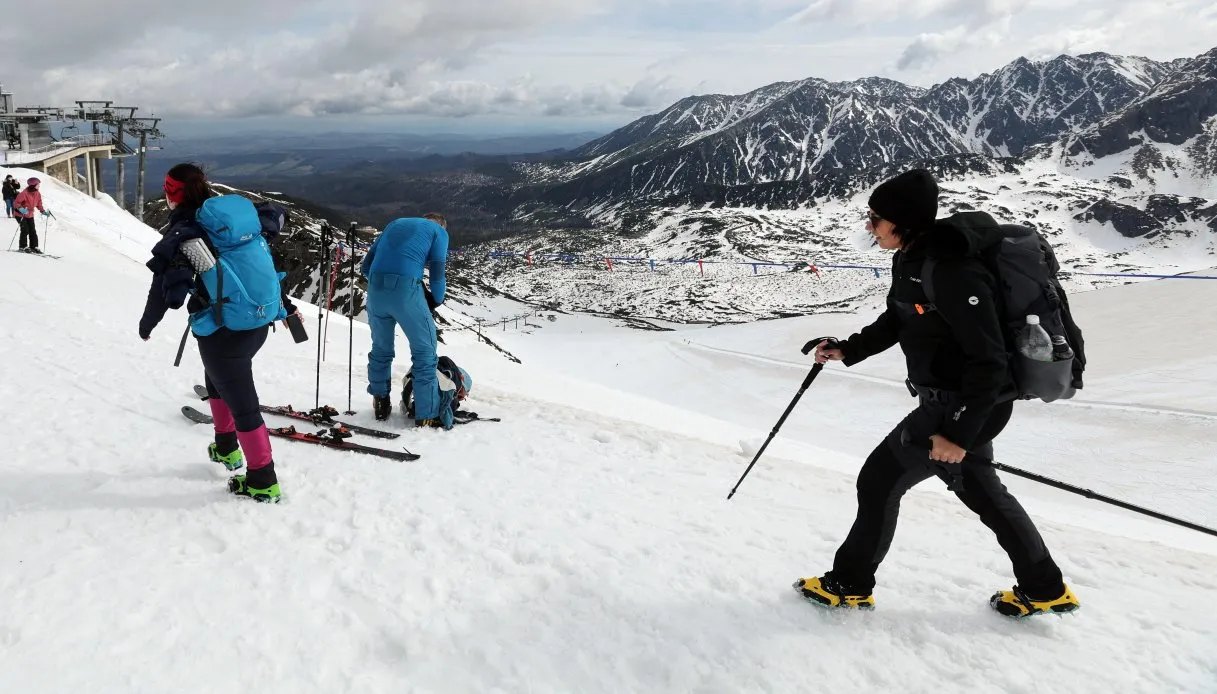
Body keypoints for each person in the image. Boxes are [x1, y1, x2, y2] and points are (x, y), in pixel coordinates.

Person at [793, 169, 1080, 618]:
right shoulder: (911, 258)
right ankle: (1045, 588)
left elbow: (989, 361)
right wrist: (847, 349)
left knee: (878, 481)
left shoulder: (951, 270)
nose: (870, 226)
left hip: (962, 406)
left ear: (901, 221)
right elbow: (898, 318)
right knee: (983, 492)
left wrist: (959, 435)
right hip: (954, 404)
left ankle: (849, 583)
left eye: (875, 218)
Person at [138, 163, 298, 502]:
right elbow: (258, 263)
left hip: (224, 331)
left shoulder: (186, 230)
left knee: (244, 405)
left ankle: (262, 480)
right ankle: (226, 449)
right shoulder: (230, 218)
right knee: (217, 380)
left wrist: (147, 324)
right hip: (256, 323)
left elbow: (162, 286)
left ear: (171, 193)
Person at [360, 213, 451, 427]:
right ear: (441, 225)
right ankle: (426, 415)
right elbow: (437, 273)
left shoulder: (395, 223)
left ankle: (380, 404)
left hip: (375, 290)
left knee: (381, 348)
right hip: (405, 290)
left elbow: (366, 267)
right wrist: (435, 300)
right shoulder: (440, 232)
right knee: (425, 352)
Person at [12, 176, 50, 253]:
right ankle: (23, 247)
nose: (39, 186)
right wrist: (21, 209)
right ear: (33, 185)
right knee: (25, 229)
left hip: (30, 214)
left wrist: (43, 211)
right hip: (20, 214)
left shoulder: (37, 193)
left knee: (32, 230)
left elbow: (39, 204)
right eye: (38, 184)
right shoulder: (24, 193)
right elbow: (16, 203)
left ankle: (34, 247)